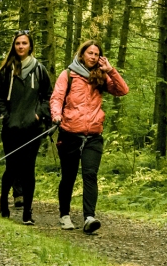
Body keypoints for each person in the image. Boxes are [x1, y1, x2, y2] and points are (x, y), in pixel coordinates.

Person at [50, 40, 128, 233]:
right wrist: (56, 114)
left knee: (90, 174)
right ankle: (65, 215)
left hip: (93, 135)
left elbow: (122, 90)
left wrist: (110, 70)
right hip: (69, 133)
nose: (93, 57)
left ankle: (89, 218)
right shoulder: (68, 74)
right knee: (68, 176)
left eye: (96, 54)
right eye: (90, 53)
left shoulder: (100, 77)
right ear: (82, 54)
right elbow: (57, 97)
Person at [0, 30, 52, 224]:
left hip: (32, 129)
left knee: (28, 170)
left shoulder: (39, 70)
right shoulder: (6, 71)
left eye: (24, 43)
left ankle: (28, 212)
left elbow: (47, 96)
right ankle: (3, 202)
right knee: (11, 168)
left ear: (30, 46)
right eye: (17, 43)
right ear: (14, 46)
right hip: (11, 129)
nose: (20, 46)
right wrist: (6, 117)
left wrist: (39, 114)